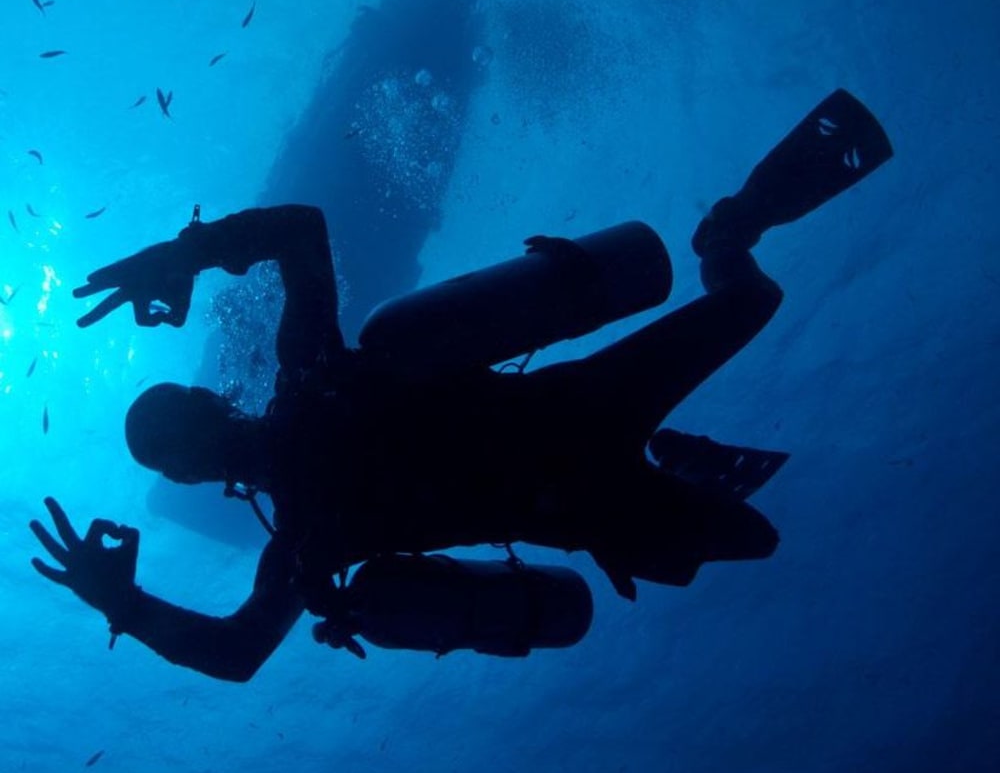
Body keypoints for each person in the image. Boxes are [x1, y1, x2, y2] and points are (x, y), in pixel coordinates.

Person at [29, 89, 893, 681]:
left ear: (215, 399)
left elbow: (301, 227)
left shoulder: (308, 378)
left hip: (588, 400)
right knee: (755, 539)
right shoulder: (304, 545)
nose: (195, 436)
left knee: (752, 294)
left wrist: (186, 252)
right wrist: (125, 603)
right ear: (191, 474)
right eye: (178, 446)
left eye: (182, 414)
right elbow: (239, 656)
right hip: (585, 505)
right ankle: (681, 466)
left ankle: (728, 228)